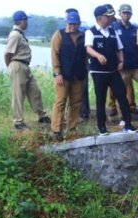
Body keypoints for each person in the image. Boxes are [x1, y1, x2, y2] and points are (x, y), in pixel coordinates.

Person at [86, 5, 138, 135]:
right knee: (101, 99)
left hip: (113, 71)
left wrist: (121, 61)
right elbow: (88, 48)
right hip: (98, 72)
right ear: (99, 18)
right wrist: (98, 55)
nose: (110, 19)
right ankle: (101, 127)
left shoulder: (113, 32)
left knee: (122, 96)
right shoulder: (90, 32)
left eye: (110, 16)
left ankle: (128, 124)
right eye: (107, 16)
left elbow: (119, 49)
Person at [5, 11, 50, 129]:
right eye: (26, 20)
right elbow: (8, 54)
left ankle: (42, 115)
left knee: (35, 91)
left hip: (24, 65)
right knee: (18, 94)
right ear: (22, 21)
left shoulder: (19, 34)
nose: (27, 23)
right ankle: (18, 121)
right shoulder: (15, 35)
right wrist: (10, 67)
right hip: (17, 65)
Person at [50, 10, 87, 142]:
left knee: (76, 102)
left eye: (74, 24)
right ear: (66, 23)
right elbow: (54, 54)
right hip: (63, 75)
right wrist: (57, 73)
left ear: (79, 24)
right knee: (60, 101)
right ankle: (56, 129)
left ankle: (71, 128)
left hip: (78, 75)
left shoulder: (83, 36)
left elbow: (86, 55)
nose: (72, 26)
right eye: (70, 23)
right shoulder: (59, 34)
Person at [109, 4, 138, 118]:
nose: (126, 15)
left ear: (131, 14)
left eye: (128, 13)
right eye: (124, 13)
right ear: (119, 14)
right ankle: (123, 116)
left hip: (135, 66)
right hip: (122, 68)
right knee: (121, 92)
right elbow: (111, 47)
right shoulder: (114, 27)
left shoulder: (136, 29)